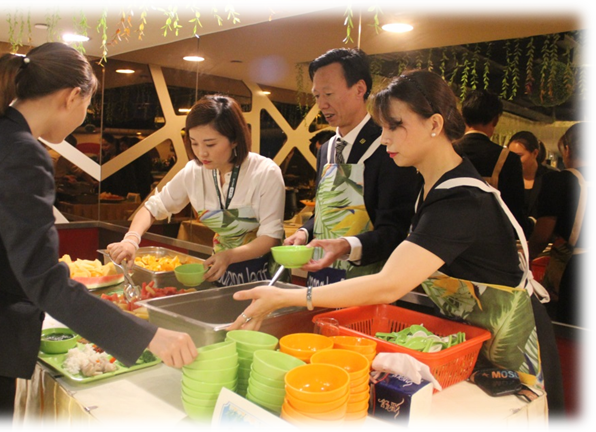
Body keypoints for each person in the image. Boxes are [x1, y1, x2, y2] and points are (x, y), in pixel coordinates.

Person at [229, 70, 567, 430]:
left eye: (395, 125)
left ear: (434, 124)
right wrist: (344, 246)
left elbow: (389, 284)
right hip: (477, 343)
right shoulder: (433, 184)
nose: (384, 137)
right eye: (383, 127)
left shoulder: (460, 199)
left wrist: (286, 297)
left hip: (517, 346)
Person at [0, 43, 197, 430]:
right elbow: (43, 279)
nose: (83, 120)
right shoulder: (22, 153)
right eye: (87, 107)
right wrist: (147, 336)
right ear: (71, 97)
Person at [107, 95, 286, 286]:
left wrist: (229, 256)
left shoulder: (265, 172)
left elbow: (271, 237)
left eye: (210, 144)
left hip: (263, 275)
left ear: (235, 139)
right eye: (194, 143)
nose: (201, 152)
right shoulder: (194, 171)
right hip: (222, 271)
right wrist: (131, 240)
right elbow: (152, 208)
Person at [286, 48, 419, 286]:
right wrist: (304, 232)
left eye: (329, 93)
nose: (322, 104)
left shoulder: (388, 146)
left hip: (365, 283)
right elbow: (325, 212)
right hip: (320, 279)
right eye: (317, 96)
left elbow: (394, 230)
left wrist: (347, 246)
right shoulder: (326, 149)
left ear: (359, 89)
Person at [529, 122, 593, 328]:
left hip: (573, 271)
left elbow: (542, 235)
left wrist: (526, 257)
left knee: (568, 330)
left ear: (568, 149)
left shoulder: (560, 181)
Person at [455, 89, 531, 237]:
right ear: (495, 120)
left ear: (463, 117)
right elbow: (515, 211)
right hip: (491, 242)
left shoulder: (446, 152)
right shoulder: (508, 159)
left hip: (448, 241)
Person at [507, 131, 554, 227]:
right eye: (511, 156)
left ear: (535, 153)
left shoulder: (550, 177)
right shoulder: (507, 176)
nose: (514, 160)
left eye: (519, 156)